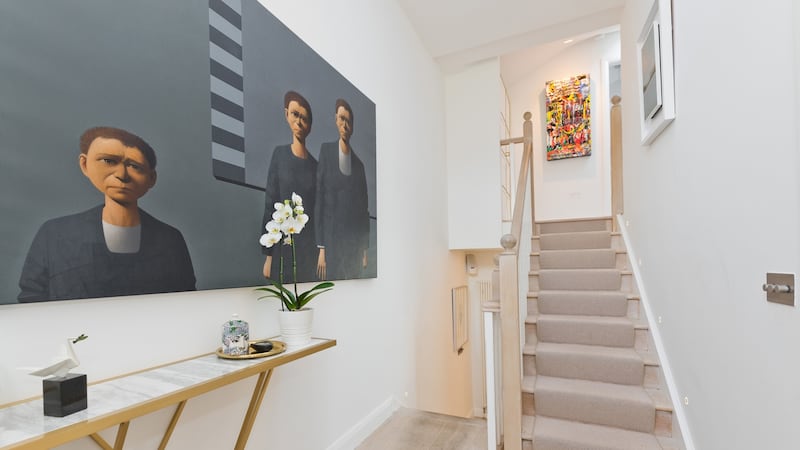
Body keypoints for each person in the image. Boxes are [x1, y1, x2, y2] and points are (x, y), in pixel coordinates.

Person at [18, 126, 196, 302]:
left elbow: (187, 297)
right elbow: (32, 296)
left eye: (135, 166)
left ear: (151, 178)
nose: (122, 175)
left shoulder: (170, 239)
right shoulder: (55, 233)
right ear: (85, 164)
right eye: (109, 161)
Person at [262, 91, 318, 281]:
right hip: (283, 247)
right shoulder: (280, 156)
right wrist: (268, 256)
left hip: (309, 248)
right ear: (287, 114)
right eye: (295, 115)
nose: (299, 122)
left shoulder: (315, 167)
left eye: (304, 118)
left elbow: (318, 212)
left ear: (310, 125)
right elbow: (270, 202)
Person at [314, 99, 370, 280]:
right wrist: (321, 248)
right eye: (341, 119)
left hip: (352, 243)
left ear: (352, 126)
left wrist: (364, 249)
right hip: (331, 240)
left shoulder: (359, 166)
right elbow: (320, 199)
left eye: (348, 120)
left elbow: (364, 210)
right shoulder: (326, 151)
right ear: (335, 120)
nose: (344, 124)